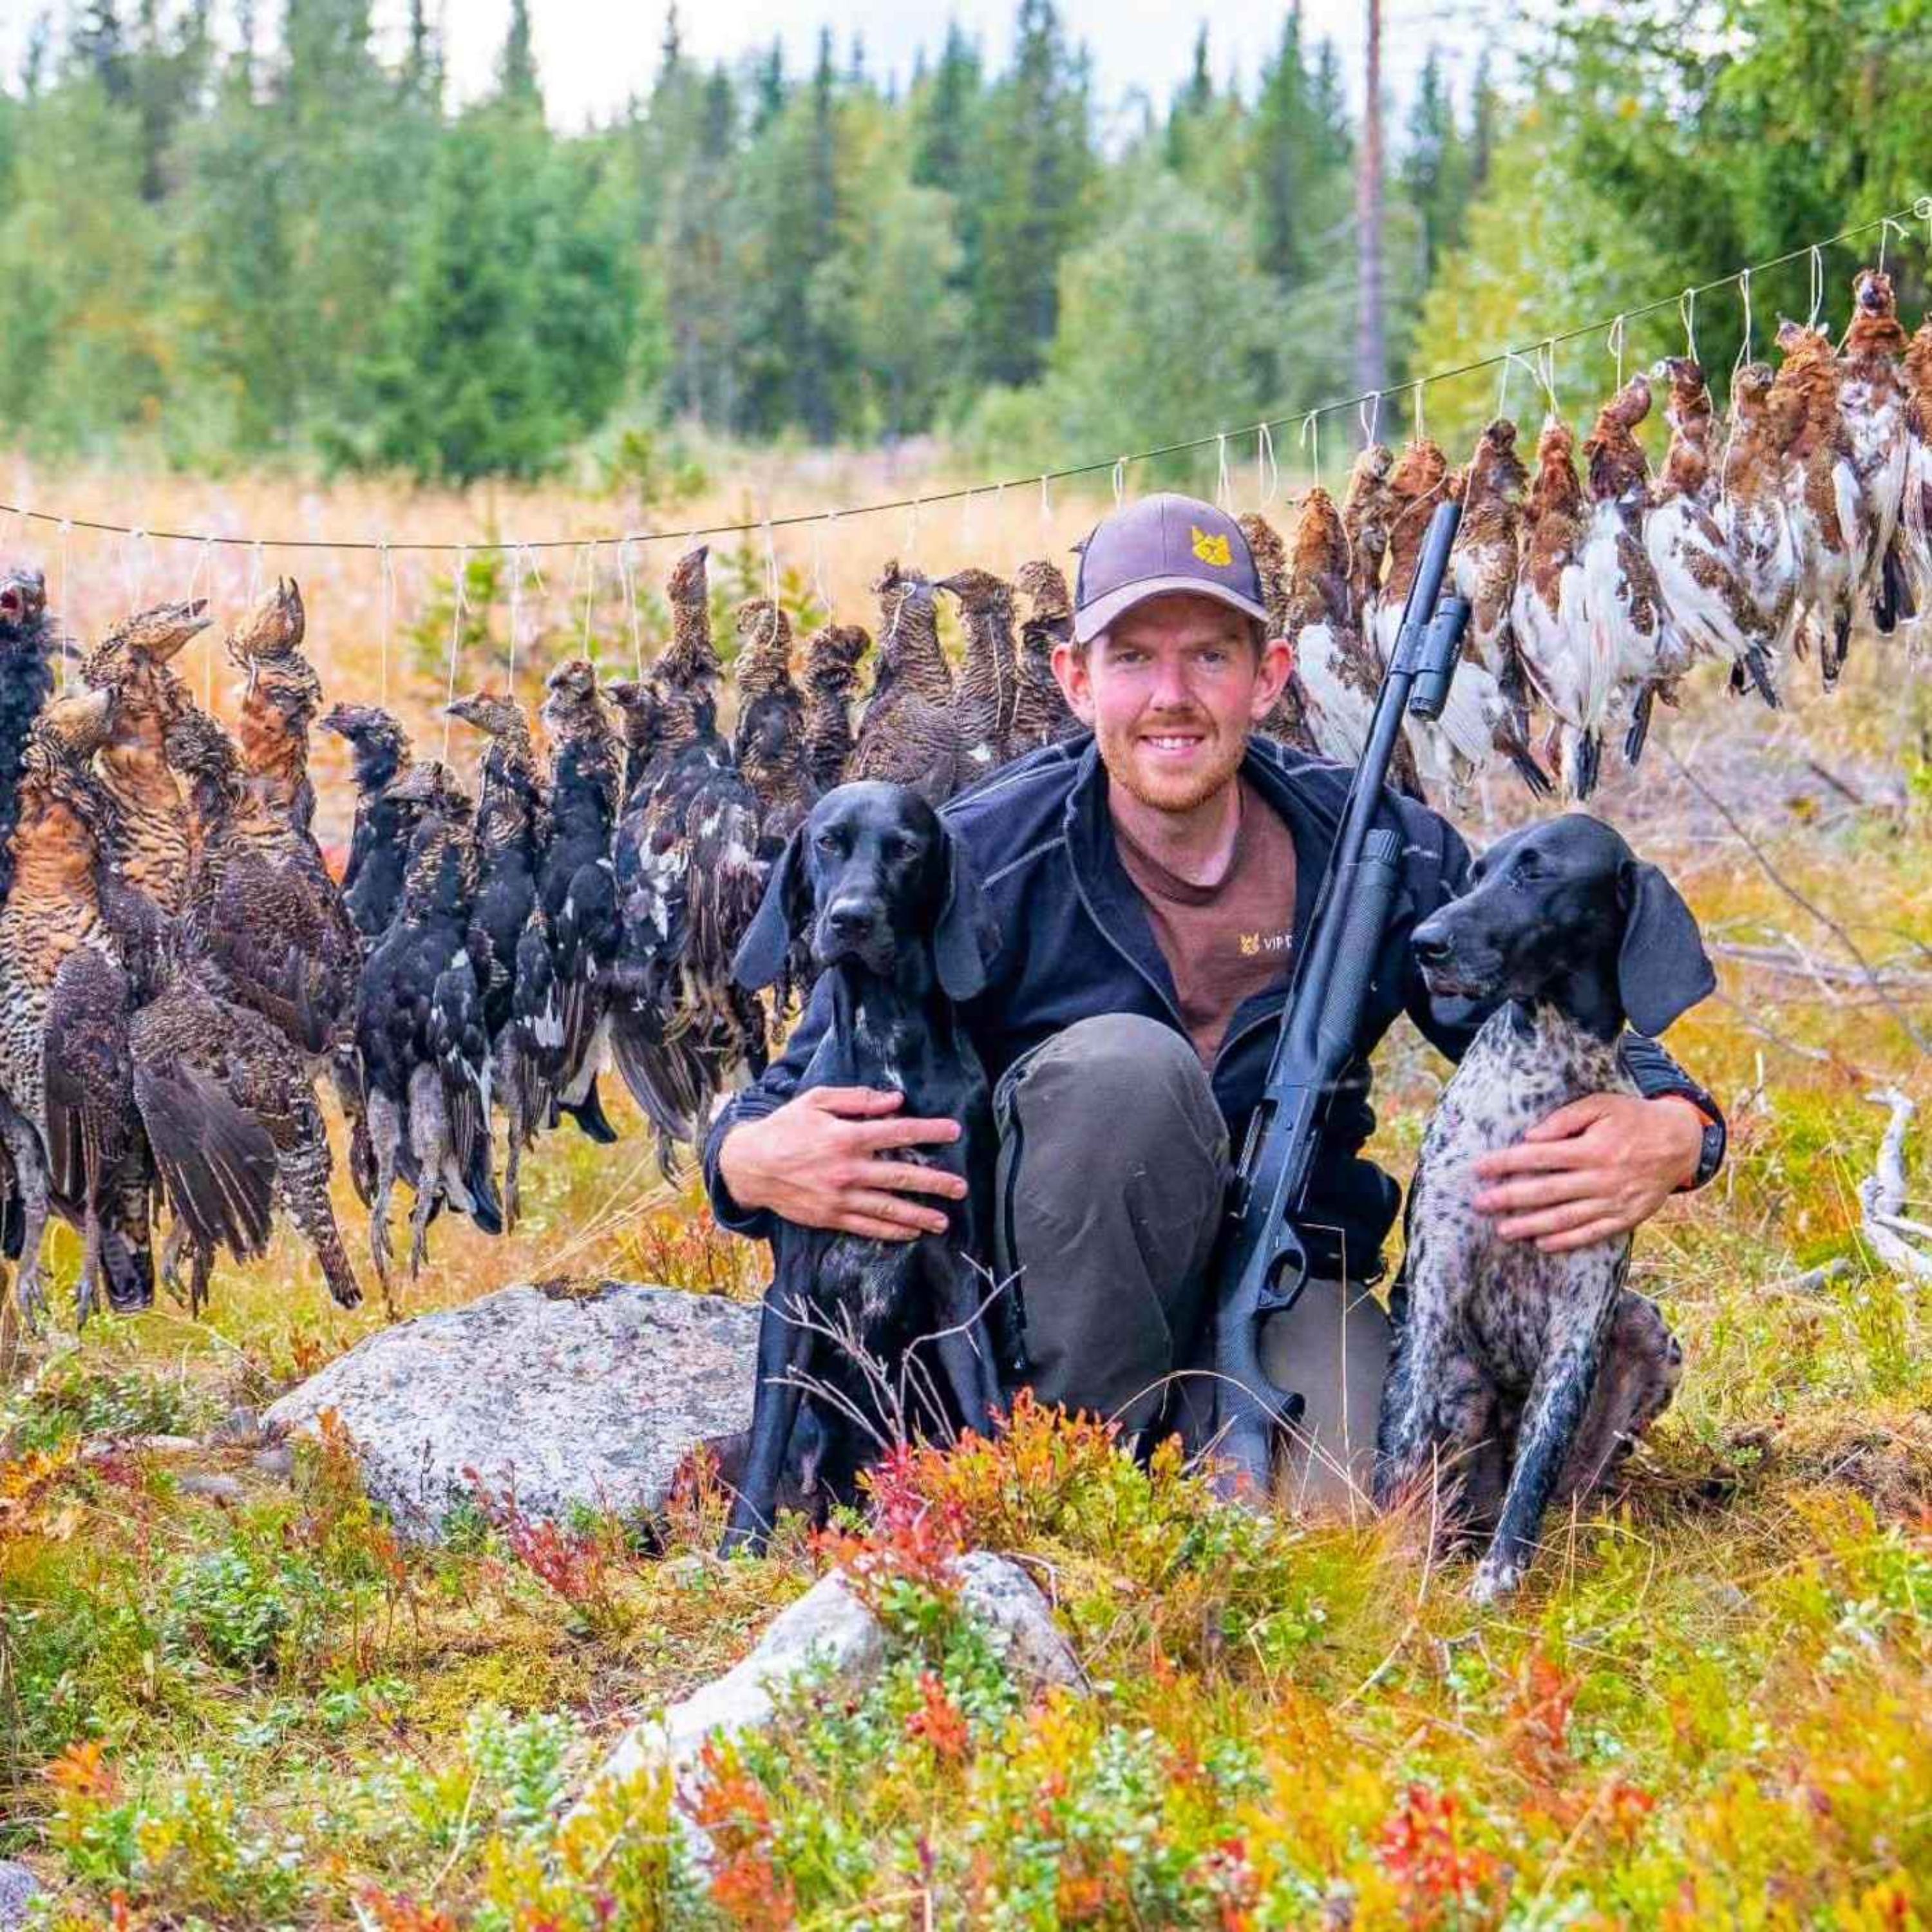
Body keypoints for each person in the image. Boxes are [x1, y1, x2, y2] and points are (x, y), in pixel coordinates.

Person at [703, 493, 1724, 1506]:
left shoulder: (1375, 845)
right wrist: (743, 1161)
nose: (1172, 696)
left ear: (1268, 677)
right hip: (1047, 1308)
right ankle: (1065, 1475)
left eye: (1209, 656)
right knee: (1124, 1071)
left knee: (1365, 1520)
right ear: (1075, 681)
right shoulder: (978, 857)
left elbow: (1545, 992)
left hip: (1285, 1275)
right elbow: (798, 1089)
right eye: (1133, 659)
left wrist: (1678, 1126)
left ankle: (1203, 1454)